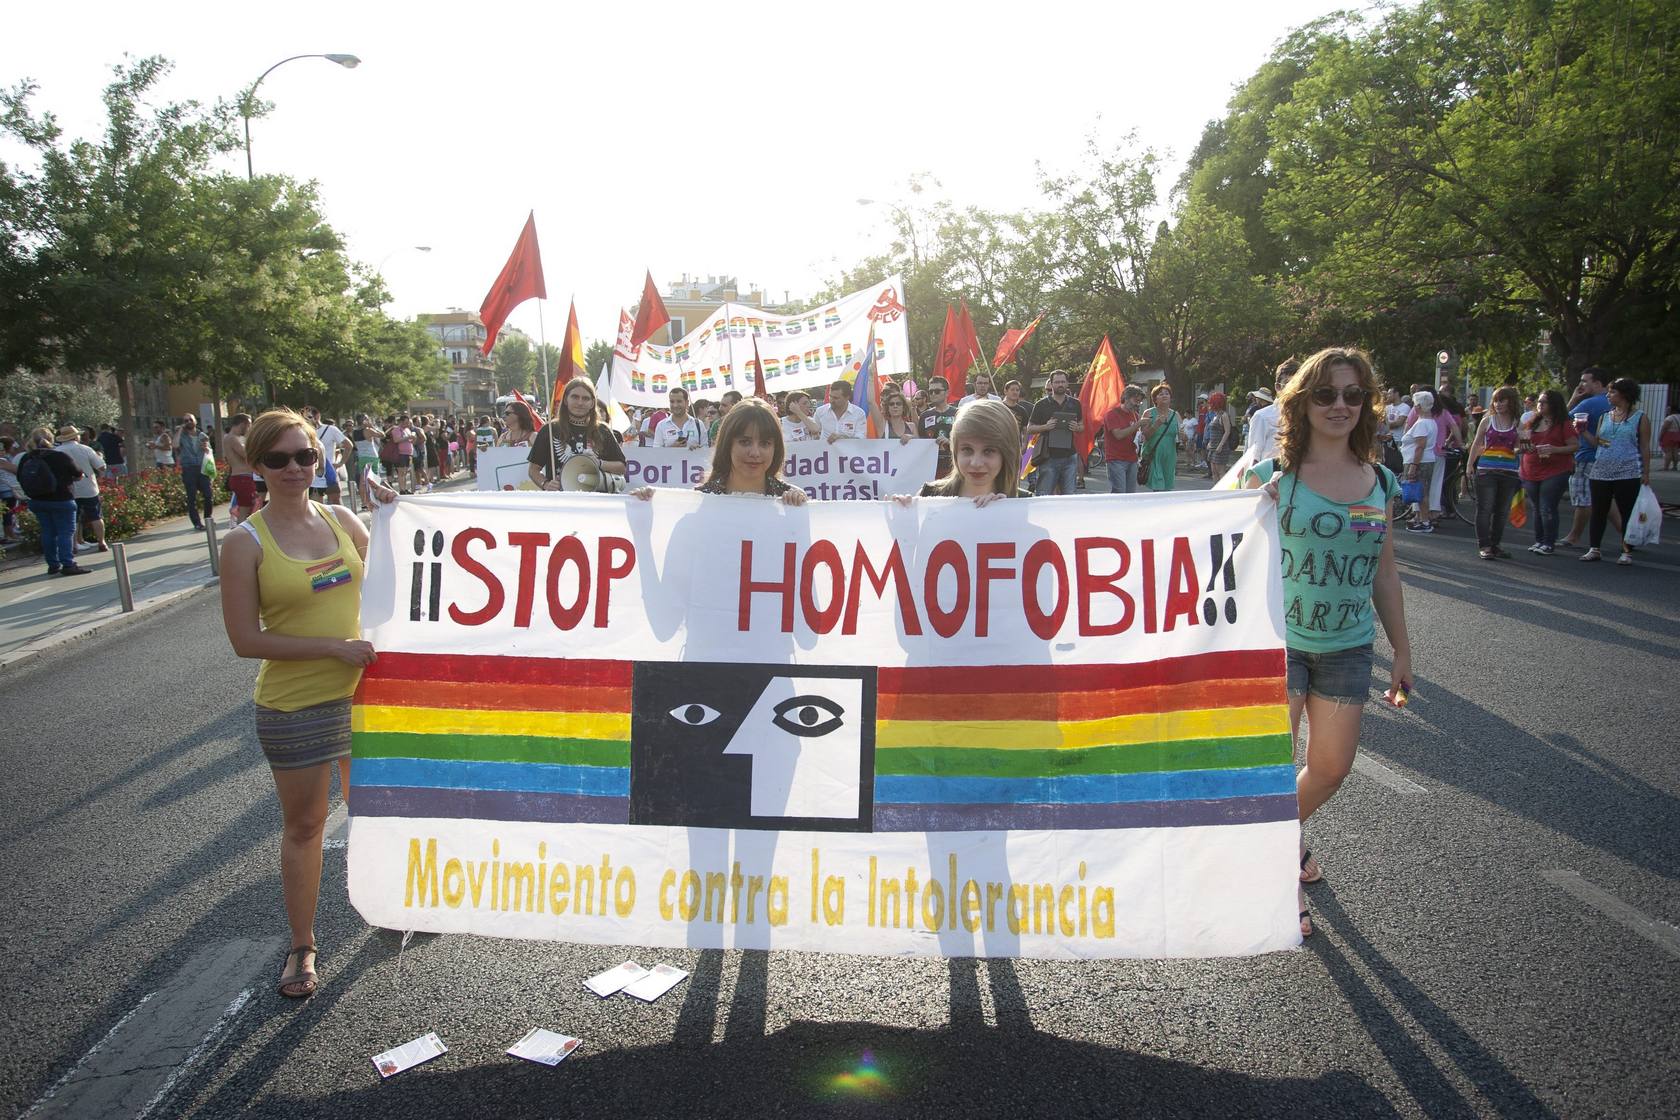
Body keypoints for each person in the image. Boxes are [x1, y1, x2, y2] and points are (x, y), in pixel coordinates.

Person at [221, 408, 395, 999]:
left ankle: (392, 902)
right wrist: (331, 647)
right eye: (279, 459)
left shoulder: (344, 518)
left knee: (374, 808)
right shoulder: (244, 544)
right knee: (306, 825)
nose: (294, 468)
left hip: (364, 696)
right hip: (295, 705)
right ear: (256, 464)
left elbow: (399, 569)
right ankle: (303, 945)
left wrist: (394, 513)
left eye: (305, 456)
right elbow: (245, 640)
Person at [1243, 347, 1410, 939]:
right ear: (1302, 402)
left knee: (1332, 768)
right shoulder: (1269, 479)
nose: (1340, 405)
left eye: (1353, 395)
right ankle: (1273, 880)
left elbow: (1384, 571)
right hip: (1277, 643)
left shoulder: (1380, 479)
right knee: (1271, 769)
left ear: (1366, 404)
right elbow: (1212, 548)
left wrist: (1403, 652)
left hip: (1348, 647)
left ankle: (1278, 837)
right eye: (1325, 394)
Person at [635, 399, 807, 505]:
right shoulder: (699, 500)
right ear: (727, 444)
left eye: (765, 443)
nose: (755, 452)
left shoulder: (791, 499)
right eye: (745, 442)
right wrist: (645, 508)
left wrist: (799, 508)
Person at [1580, 378, 1651, 565]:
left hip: (1627, 471)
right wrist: (1583, 432)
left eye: (1612, 392)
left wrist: (1646, 472)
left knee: (1626, 511)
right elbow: (1599, 442)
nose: (1608, 395)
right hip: (1601, 470)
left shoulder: (1640, 417)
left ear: (1625, 395)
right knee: (1598, 511)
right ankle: (1594, 548)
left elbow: (1644, 446)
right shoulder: (1605, 416)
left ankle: (1627, 551)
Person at [528, 378, 628, 490]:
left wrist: (599, 463)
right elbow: (533, 469)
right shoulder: (550, 429)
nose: (580, 403)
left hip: (597, 500)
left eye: (585, 398)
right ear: (566, 400)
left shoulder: (602, 430)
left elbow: (622, 467)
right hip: (560, 500)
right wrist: (545, 484)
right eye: (575, 397)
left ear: (592, 403)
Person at [17, 427, 90, 575]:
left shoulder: (27, 458)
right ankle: (68, 564)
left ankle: (52, 564)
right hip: (61, 499)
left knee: (47, 532)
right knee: (65, 532)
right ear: (51, 440)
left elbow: (20, 477)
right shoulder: (60, 456)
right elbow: (78, 473)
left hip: (37, 500)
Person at [1557, 368, 1614, 548]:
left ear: (1597, 383)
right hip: (1608, 456)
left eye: (1584, 381)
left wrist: (1574, 398)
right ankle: (1627, 535)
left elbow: (1560, 420)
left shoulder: (1589, 403)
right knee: (1606, 499)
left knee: (1583, 498)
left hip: (1587, 456)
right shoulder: (1613, 403)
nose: (1581, 384)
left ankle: (1574, 536)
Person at [1466, 386, 1524, 559]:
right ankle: (1484, 545)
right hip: (1486, 469)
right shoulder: (1487, 420)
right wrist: (1470, 465)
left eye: (1502, 400)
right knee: (1485, 508)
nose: (1498, 404)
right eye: (1496, 400)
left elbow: (1520, 447)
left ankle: (1495, 544)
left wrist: (1522, 447)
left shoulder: (1517, 422)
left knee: (1502, 510)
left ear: (1511, 401)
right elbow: (1476, 444)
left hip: (1509, 470)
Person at [1518, 389, 1577, 555]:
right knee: (1536, 507)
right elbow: (1522, 443)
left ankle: (1549, 542)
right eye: (1539, 401)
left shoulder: (1563, 423)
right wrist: (1525, 446)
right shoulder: (1533, 421)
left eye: (1544, 402)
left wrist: (1555, 449)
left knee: (1547, 506)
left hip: (1555, 470)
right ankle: (1539, 540)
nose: (1540, 405)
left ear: (1553, 404)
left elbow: (1574, 445)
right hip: (1531, 469)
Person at [1025, 369, 1083, 496]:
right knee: (1044, 494)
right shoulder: (1041, 404)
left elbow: (1082, 426)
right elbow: (1030, 428)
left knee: (1069, 495)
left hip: (1070, 456)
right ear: (1051, 384)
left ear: (1067, 383)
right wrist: (1046, 426)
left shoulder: (1075, 403)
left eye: (1063, 381)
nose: (1060, 384)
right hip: (1048, 456)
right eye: (1057, 382)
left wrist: (1076, 427)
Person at [55, 424, 108, 552]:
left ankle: (74, 545)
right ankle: (102, 542)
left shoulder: (57, 452)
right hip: (89, 487)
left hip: (68, 489)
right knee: (96, 516)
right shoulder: (85, 449)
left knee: (73, 518)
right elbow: (101, 466)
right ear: (76, 437)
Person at [1400, 391, 1440, 532]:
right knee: (1423, 492)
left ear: (1417, 407)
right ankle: (1423, 520)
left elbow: (1420, 447)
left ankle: (1424, 521)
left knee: (1421, 493)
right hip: (1426, 460)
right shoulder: (1431, 422)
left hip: (1420, 462)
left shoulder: (1422, 424)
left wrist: (1413, 466)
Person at [1245, 359, 1297, 462]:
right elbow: (1253, 458)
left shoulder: (1308, 415)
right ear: (1278, 387)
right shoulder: (1262, 416)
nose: (1293, 389)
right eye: (1288, 383)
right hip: (1269, 476)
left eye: (1298, 384)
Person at [1098, 384, 1145, 494]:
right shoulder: (1112, 414)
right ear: (1126, 398)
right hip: (1116, 459)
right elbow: (1118, 435)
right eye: (1135, 400)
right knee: (1119, 492)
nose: (1137, 404)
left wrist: (1141, 437)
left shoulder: (1135, 415)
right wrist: (1137, 425)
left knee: (1130, 493)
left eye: (1139, 401)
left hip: (1132, 459)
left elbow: (1135, 435)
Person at [1138, 383, 1181, 493]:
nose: (1164, 396)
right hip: (1153, 454)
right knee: (1158, 486)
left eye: (1167, 394)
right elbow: (1145, 435)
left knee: (1167, 486)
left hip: (1169, 456)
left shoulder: (1176, 415)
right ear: (1155, 399)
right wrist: (1156, 425)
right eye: (1161, 394)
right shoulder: (1148, 413)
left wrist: (1184, 437)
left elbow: (1181, 438)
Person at [176, 415, 214, 529]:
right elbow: (174, 445)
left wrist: (206, 449)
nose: (188, 422)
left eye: (190, 420)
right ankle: (197, 523)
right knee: (191, 497)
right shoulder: (182, 436)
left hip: (202, 468)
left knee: (208, 495)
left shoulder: (202, 435)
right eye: (185, 420)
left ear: (195, 421)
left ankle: (208, 518)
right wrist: (179, 431)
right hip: (189, 468)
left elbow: (210, 450)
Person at [303, 406, 346, 505]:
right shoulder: (300, 440)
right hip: (307, 484)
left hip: (316, 484)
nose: (306, 421)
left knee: (319, 510)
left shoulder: (317, 444)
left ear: (315, 418)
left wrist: (339, 463)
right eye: (304, 418)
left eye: (309, 417)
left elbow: (320, 467)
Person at [918, 377, 960, 475]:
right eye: (930, 391)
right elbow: (920, 441)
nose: (933, 394)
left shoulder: (958, 413)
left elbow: (966, 440)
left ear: (947, 392)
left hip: (954, 467)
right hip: (931, 467)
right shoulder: (925, 416)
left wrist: (950, 442)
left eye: (937, 391)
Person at [224, 414, 256, 523]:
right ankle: (242, 532)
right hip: (242, 477)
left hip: (242, 476)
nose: (249, 429)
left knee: (249, 508)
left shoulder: (234, 438)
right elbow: (247, 454)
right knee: (245, 510)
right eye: (249, 426)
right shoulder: (232, 438)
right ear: (243, 424)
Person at [1204, 392, 1235, 477]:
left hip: (1221, 447)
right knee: (1214, 472)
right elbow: (1212, 430)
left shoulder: (1224, 415)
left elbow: (1227, 431)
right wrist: (1210, 442)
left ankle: (1222, 490)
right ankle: (1215, 490)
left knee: (1220, 471)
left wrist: (1220, 445)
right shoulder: (1215, 415)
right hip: (1212, 446)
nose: (1209, 404)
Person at [1658, 401, 1680, 472]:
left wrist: (1660, 436)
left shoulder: (1670, 418)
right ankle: (1675, 466)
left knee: (1668, 451)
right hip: (1677, 435)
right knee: (1675, 451)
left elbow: (1664, 428)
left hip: (1669, 435)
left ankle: (1666, 467)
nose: (1667, 410)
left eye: (1668, 409)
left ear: (1671, 409)